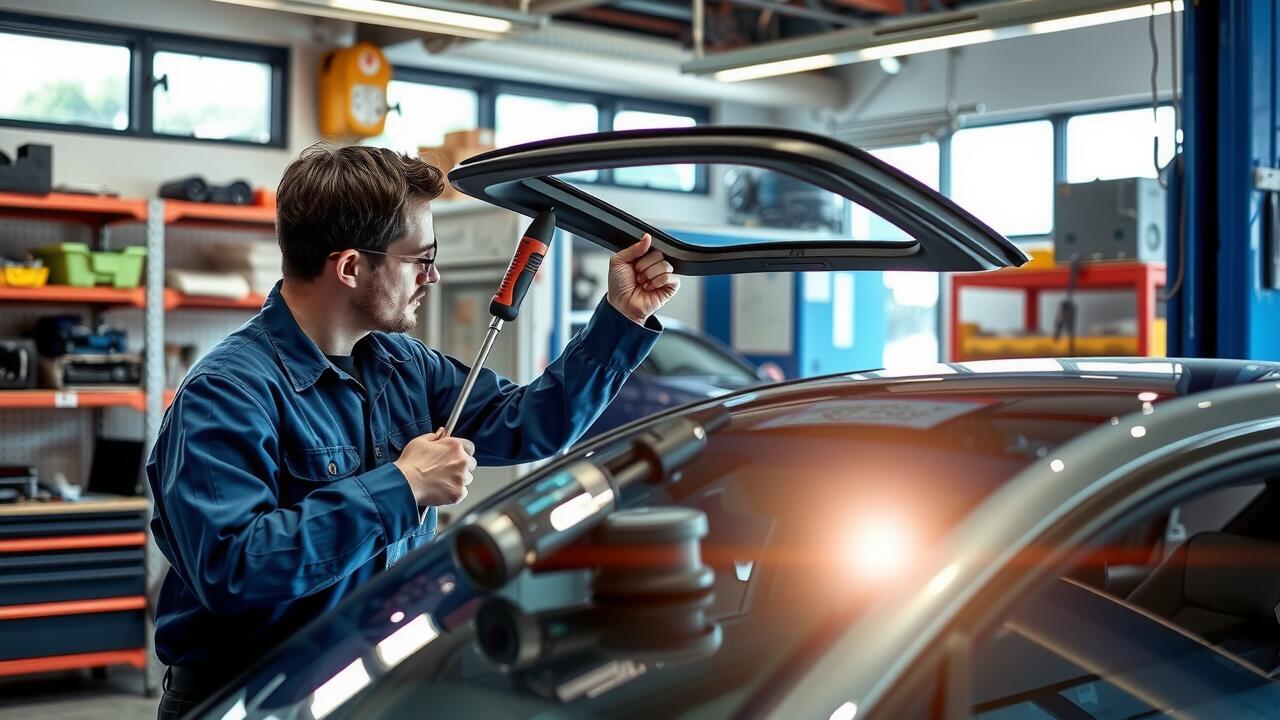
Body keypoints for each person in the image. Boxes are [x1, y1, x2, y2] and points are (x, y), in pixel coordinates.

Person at [148, 142, 678, 719]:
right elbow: (235, 569)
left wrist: (620, 318)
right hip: (247, 700)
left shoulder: (404, 365)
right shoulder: (228, 392)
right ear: (350, 267)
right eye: (419, 259)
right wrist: (403, 487)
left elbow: (531, 426)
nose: (435, 275)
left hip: (371, 684)